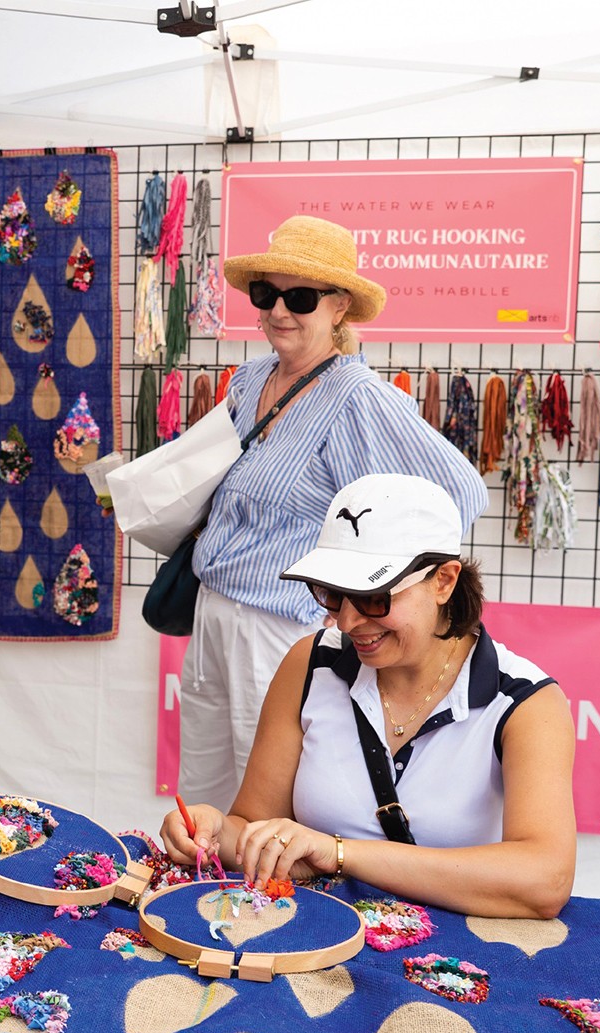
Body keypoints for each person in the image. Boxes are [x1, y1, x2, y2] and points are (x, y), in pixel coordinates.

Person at [162, 474, 576, 919]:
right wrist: (213, 831)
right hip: (321, 935)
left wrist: (339, 854)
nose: (347, 622)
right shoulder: (311, 663)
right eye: (333, 595)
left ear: (444, 581)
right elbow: (252, 826)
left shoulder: (524, 703)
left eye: (374, 598)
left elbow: (545, 880)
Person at [181, 214, 488, 810]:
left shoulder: (358, 398)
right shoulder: (250, 380)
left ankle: (268, 877)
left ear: (340, 306)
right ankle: (199, 870)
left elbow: (457, 495)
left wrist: (366, 585)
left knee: (266, 796)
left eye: (299, 297)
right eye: (266, 293)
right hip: (213, 609)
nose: (278, 311)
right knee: (204, 786)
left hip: (279, 624)